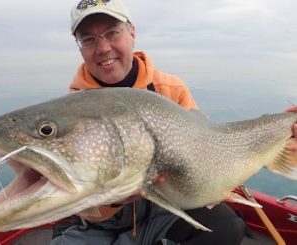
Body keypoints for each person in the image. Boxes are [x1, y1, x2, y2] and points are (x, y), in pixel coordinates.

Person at [51, 0, 297, 244]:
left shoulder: (170, 90)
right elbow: (82, 207)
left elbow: (207, 151)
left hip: (162, 208)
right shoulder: (73, 114)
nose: (103, 48)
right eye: (88, 39)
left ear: (132, 32)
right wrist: (114, 198)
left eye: (112, 32)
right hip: (97, 223)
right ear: (80, 48)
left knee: (226, 225)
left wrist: (282, 137)